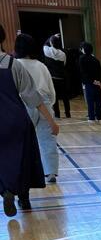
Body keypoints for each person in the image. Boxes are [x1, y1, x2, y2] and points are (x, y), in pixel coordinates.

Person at [0, 24, 59, 216]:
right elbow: (32, 96)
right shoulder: (12, 64)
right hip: (17, 120)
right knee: (24, 159)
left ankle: (6, 191)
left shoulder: (16, 63)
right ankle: (24, 199)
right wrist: (51, 121)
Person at [15, 33, 59, 184]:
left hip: (24, 104)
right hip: (45, 103)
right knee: (48, 140)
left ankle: (23, 171)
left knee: (22, 141)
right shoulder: (41, 66)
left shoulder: (14, 64)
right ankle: (51, 173)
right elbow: (51, 91)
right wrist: (49, 105)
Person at [43, 34, 70, 119]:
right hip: (62, 77)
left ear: (51, 43)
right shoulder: (63, 54)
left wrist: (52, 36)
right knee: (65, 96)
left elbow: (45, 44)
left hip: (53, 78)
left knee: (54, 96)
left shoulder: (47, 51)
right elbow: (64, 64)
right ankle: (68, 114)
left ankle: (57, 114)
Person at [79, 42, 101, 124]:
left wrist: (91, 81)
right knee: (98, 101)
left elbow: (83, 72)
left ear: (84, 50)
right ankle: (99, 117)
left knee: (90, 100)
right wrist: (99, 81)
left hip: (89, 83)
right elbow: (100, 71)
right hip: (97, 83)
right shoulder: (95, 59)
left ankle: (91, 118)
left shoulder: (82, 58)